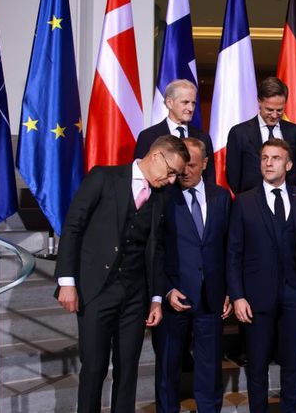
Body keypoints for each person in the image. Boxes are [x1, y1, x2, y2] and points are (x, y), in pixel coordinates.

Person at [55, 135, 189, 413]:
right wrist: (67, 281)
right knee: (94, 368)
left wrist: (155, 298)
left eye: (176, 176)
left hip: (135, 295)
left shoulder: (161, 195)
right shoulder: (103, 178)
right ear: (156, 156)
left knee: (128, 370)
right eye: (171, 172)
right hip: (96, 290)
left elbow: (157, 249)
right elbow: (73, 227)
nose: (172, 180)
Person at [227, 139, 296, 413]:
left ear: (288, 165)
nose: (268, 163)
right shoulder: (244, 201)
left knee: (291, 363)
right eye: (264, 158)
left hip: (295, 293)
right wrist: (237, 296)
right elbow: (233, 252)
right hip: (256, 296)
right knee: (257, 365)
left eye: (275, 158)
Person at [153, 138, 231, 413]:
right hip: (174, 297)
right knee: (168, 367)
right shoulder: (163, 196)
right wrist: (166, 289)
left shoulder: (221, 197)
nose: (184, 171)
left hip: (211, 297)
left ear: (205, 164)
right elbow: (155, 249)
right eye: (182, 165)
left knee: (210, 369)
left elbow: (229, 247)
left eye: (192, 166)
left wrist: (230, 290)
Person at [225, 76, 296, 193]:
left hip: (285, 199)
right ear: (259, 101)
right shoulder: (239, 133)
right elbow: (233, 176)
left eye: (279, 110)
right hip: (250, 200)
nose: (274, 115)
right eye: (269, 110)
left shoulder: (295, 132)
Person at [135, 79, 216, 184]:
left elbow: (209, 177)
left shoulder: (203, 137)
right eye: (185, 102)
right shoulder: (148, 136)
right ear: (169, 103)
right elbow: (143, 174)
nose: (191, 108)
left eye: (193, 103)